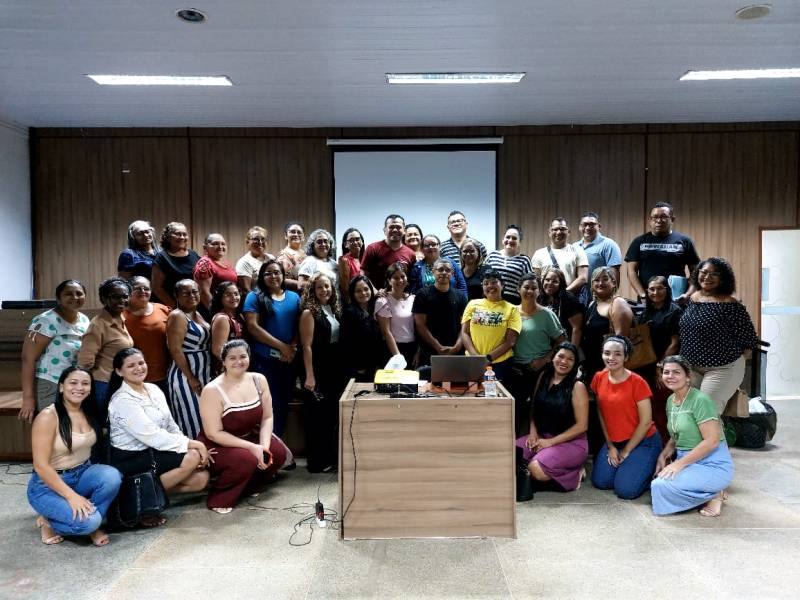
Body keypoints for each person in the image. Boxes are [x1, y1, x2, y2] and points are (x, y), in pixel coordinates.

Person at [108, 348, 210, 527]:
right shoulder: (122, 400)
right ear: (119, 371)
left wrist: (186, 444)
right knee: (192, 457)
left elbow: (170, 424)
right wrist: (194, 445)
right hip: (131, 457)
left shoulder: (153, 389)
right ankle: (145, 505)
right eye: (131, 366)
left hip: (153, 450)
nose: (138, 368)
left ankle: (141, 495)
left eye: (141, 363)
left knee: (201, 480)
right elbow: (153, 436)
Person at [27, 367, 121, 546]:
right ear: (61, 387)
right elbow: (40, 466)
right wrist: (72, 496)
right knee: (89, 522)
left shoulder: (87, 412)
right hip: (47, 485)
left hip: (81, 473)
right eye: (73, 383)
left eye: (85, 383)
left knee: (112, 476)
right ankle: (52, 522)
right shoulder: (47, 417)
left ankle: (85, 517)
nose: (79, 387)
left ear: (90, 389)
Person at [198, 340, 291, 513]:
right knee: (245, 459)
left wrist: (263, 447)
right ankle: (219, 498)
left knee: (277, 453)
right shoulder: (212, 390)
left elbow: (267, 417)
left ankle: (248, 488)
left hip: (249, 436)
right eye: (232, 358)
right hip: (218, 444)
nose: (238, 361)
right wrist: (252, 447)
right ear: (223, 361)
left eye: (242, 356)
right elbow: (213, 433)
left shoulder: (259, 380)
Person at [651, 355, 734, 517]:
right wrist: (664, 454)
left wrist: (677, 464)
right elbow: (677, 433)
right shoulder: (671, 400)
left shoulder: (701, 400)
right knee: (657, 483)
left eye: (676, 372)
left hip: (712, 464)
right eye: (666, 372)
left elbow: (712, 441)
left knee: (660, 486)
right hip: (688, 461)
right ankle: (706, 493)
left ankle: (714, 495)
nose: (670, 376)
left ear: (688, 376)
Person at [679, 257, 758, 414]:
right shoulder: (692, 299)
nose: (707, 277)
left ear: (723, 279)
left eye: (714, 274)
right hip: (691, 368)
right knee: (691, 414)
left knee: (707, 413)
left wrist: (735, 364)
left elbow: (749, 340)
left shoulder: (731, 304)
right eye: (704, 272)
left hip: (722, 368)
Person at [590, 336, 662, 500]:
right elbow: (601, 412)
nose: (611, 358)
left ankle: (651, 471)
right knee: (601, 482)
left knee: (625, 491)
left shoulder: (638, 382)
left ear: (626, 357)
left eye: (617, 354)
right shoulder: (598, 378)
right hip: (615, 441)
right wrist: (610, 446)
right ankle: (631, 470)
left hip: (643, 441)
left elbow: (646, 422)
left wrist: (626, 451)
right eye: (607, 353)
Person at [515, 343, 589, 492]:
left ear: (575, 364)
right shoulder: (544, 376)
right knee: (510, 455)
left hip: (571, 443)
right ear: (553, 357)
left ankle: (575, 474)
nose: (564, 361)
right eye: (560, 356)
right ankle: (548, 464)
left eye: (570, 359)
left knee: (535, 468)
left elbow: (582, 426)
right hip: (542, 437)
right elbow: (534, 406)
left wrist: (550, 443)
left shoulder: (577, 386)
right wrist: (533, 432)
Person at [242, 260, 300, 437]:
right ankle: (266, 449)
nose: (273, 276)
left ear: (283, 275)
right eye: (268, 273)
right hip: (264, 360)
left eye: (276, 272)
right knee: (267, 406)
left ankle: (277, 446)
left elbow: (299, 325)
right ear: (261, 276)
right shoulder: (254, 296)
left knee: (282, 405)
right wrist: (282, 347)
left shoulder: (294, 297)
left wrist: (291, 349)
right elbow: (253, 327)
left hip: (288, 360)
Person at [19, 279, 90, 422]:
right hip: (50, 383)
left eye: (79, 293)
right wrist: (28, 398)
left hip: (74, 384)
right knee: (51, 428)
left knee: (70, 429)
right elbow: (28, 358)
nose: (75, 297)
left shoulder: (84, 320)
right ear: (58, 298)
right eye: (68, 294)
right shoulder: (45, 321)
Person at [508, 273, 565, 436]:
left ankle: (540, 444)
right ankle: (515, 445)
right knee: (515, 410)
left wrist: (544, 360)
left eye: (534, 288)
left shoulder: (547, 315)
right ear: (518, 289)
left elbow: (562, 342)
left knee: (539, 410)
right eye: (526, 287)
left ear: (539, 291)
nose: (530, 291)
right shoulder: (511, 312)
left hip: (540, 370)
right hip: (515, 369)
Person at [299, 272, 345, 472]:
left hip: (331, 368)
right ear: (312, 290)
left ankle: (328, 458)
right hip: (316, 369)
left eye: (327, 286)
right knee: (317, 417)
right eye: (319, 287)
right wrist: (310, 376)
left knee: (329, 416)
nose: (324, 290)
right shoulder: (309, 312)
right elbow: (306, 346)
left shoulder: (332, 309)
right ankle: (317, 463)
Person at [77, 277, 134, 418]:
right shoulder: (98, 324)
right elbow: (85, 362)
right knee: (105, 424)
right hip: (103, 384)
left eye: (125, 296)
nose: (121, 300)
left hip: (119, 382)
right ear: (104, 298)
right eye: (115, 296)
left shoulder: (120, 318)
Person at [625, 202, 700, 304]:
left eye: (663, 217)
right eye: (655, 217)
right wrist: (642, 295)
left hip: (677, 299)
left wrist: (688, 294)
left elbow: (695, 272)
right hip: (648, 299)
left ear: (672, 219)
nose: (658, 220)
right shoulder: (639, 242)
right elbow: (631, 271)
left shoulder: (685, 241)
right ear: (650, 220)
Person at [636, 275, 681, 441]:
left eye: (660, 288)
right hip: (646, 366)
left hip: (666, 367)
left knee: (664, 407)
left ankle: (668, 446)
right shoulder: (645, 312)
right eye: (652, 289)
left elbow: (675, 343)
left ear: (667, 290)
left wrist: (660, 366)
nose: (655, 293)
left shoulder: (674, 311)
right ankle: (652, 444)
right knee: (648, 407)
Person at [166, 279, 211, 438]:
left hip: (202, 373)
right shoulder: (177, 316)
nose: (191, 295)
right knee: (193, 422)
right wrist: (190, 377)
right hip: (185, 376)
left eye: (194, 292)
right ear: (177, 296)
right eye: (185, 293)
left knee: (205, 419)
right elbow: (175, 350)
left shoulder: (197, 313)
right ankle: (195, 453)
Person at [460, 268, 522, 382]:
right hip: (472, 361)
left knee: (494, 393)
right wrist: (475, 357)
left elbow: (510, 341)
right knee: (471, 391)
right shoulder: (472, 304)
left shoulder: (512, 309)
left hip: (500, 363)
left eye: (494, 282)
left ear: (502, 285)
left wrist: (487, 359)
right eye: (486, 283)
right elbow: (464, 333)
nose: (490, 286)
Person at [412, 258, 468, 368]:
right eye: (440, 269)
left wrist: (457, 347)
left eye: (447, 270)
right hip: (430, 351)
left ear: (452, 273)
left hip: (456, 351)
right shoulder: (422, 295)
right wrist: (438, 347)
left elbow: (465, 325)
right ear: (433, 272)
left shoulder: (460, 296)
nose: (444, 273)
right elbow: (420, 325)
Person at [581, 266, 634, 382]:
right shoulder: (592, 304)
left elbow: (621, 341)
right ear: (592, 284)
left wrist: (607, 370)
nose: (600, 283)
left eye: (605, 279)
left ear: (613, 283)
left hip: (609, 368)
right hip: (591, 365)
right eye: (596, 280)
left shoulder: (618, 303)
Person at [123, 276, 172, 398]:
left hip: (166, 375)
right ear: (128, 291)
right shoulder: (121, 315)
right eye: (137, 288)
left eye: (146, 288)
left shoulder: (162, 309)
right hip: (135, 377)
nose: (143, 291)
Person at [340, 275, 385, 382]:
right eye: (358, 291)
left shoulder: (375, 307)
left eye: (366, 289)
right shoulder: (349, 312)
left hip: (375, 366)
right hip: (358, 369)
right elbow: (347, 342)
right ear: (352, 293)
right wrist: (359, 367)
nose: (363, 293)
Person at [531, 217, 589, 299]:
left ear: (568, 232)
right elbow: (535, 280)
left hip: (569, 299)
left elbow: (583, 278)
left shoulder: (578, 251)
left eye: (562, 229)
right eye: (555, 229)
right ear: (549, 232)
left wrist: (564, 294)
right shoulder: (539, 253)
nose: (558, 232)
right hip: (545, 300)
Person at [374, 262, 417, 368]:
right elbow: (386, 332)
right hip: (394, 350)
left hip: (412, 348)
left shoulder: (413, 299)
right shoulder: (383, 301)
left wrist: (418, 351)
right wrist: (398, 357)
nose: (400, 280)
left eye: (402, 276)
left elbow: (419, 327)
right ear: (389, 281)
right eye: (396, 278)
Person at [151, 222, 201, 309]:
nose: (182, 237)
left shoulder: (193, 254)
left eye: (184, 234)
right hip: (171, 307)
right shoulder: (162, 257)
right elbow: (156, 288)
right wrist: (175, 307)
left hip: (193, 305)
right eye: (178, 234)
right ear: (168, 237)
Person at [361, 214, 417, 290]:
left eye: (398, 227)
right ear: (385, 230)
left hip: (401, 296)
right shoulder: (372, 248)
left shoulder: (411, 254)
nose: (395, 230)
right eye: (391, 227)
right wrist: (374, 291)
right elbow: (363, 274)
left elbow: (411, 279)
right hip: (377, 295)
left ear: (404, 230)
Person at [576, 212, 622, 302]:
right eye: (585, 224)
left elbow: (614, 272)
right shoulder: (574, 246)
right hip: (579, 298)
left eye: (592, 225)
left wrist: (612, 297)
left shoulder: (609, 245)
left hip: (601, 298)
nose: (588, 228)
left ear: (599, 226)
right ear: (580, 227)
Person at [484, 225, 533, 304]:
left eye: (514, 238)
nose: (510, 240)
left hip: (513, 303)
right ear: (503, 239)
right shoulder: (492, 255)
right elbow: (483, 278)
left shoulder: (524, 260)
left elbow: (530, 283)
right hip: (491, 300)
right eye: (507, 237)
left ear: (519, 242)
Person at [193, 233, 237, 316]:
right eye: (215, 243)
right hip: (214, 312)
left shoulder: (226, 263)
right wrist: (218, 314)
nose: (220, 247)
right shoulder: (204, 264)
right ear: (205, 247)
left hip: (228, 309)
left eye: (223, 244)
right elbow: (204, 293)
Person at [538, 268, 583, 348]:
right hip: (544, 346)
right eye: (547, 280)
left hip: (564, 345)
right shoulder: (540, 298)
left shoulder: (568, 299)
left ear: (561, 284)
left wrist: (572, 350)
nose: (550, 283)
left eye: (555, 281)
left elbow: (576, 328)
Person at [209, 282, 243, 374]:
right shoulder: (222, 319)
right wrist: (235, 365)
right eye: (228, 295)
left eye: (236, 294)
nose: (233, 297)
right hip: (228, 370)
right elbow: (217, 350)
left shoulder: (238, 316)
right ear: (220, 298)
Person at [117, 220, 159, 288]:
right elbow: (124, 282)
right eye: (140, 233)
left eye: (147, 231)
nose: (145, 235)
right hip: (142, 292)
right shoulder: (128, 254)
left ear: (152, 232)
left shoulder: (162, 252)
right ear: (133, 237)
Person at [235, 226, 275, 294]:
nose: (260, 242)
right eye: (256, 239)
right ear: (247, 242)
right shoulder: (244, 262)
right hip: (258, 299)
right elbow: (246, 291)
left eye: (263, 239)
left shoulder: (271, 258)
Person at [276, 221, 306, 291]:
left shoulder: (307, 255)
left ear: (303, 237)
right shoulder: (283, 256)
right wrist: (307, 285)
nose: (296, 234)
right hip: (292, 294)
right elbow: (281, 279)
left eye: (299, 232)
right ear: (286, 236)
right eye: (292, 232)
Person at [338, 227, 365, 301]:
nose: (355, 242)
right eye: (351, 240)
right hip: (354, 303)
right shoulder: (344, 260)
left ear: (362, 241)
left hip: (367, 300)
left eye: (357, 239)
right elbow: (345, 290)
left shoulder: (366, 259)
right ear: (345, 245)